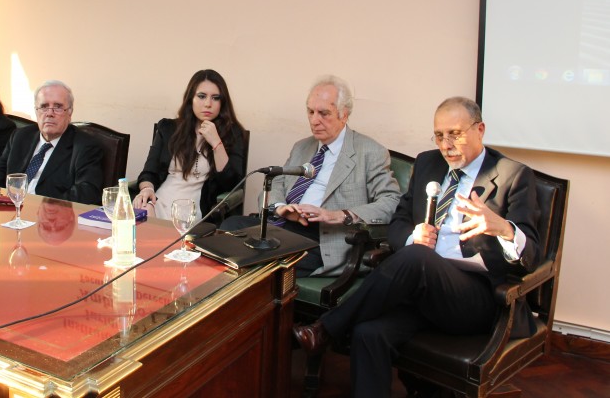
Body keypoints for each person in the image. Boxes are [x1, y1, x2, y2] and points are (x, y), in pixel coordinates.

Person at [293, 97, 541, 398]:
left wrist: (503, 228)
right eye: (439, 135)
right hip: (420, 289)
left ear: (480, 129)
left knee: (418, 259)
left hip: (475, 297)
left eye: (455, 134)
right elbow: (398, 221)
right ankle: (337, 328)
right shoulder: (427, 163)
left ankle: (327, 328)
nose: (446, 144)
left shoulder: (512, 174)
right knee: (368, 334)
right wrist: (413, 238)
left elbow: (532, 255)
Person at [220, 75, 401, 276]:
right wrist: (281, 208)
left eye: (324, 113)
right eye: (310, 111)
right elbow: (276, 184)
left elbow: (391, 202)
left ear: (344, 114)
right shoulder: (301, 147)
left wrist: (339, 215)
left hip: (322, 238)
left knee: (258, 258)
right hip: (281, 226)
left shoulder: (370, 151)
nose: (315, 120)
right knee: (229, 227)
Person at [132, 69, 246, 221]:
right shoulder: (168, 128)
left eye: (215, 98)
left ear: (222, 102)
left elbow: (231, 185)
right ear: (190, 98)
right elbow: (149, 172)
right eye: (201, 96)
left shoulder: (233, 133)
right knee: (141, 216)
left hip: (195, 210)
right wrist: (146, 189)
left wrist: (216, 142)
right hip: (160, 202)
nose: (208, 104)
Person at [0, 80, 103, 204]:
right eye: (44, 107)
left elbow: (87, 192)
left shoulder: (85, 146)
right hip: (13, 212)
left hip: (51, 217)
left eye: (58, 107)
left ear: (70, 112)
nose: (50, 113)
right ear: (36, 111)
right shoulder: (20, 136)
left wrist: (42, 205)